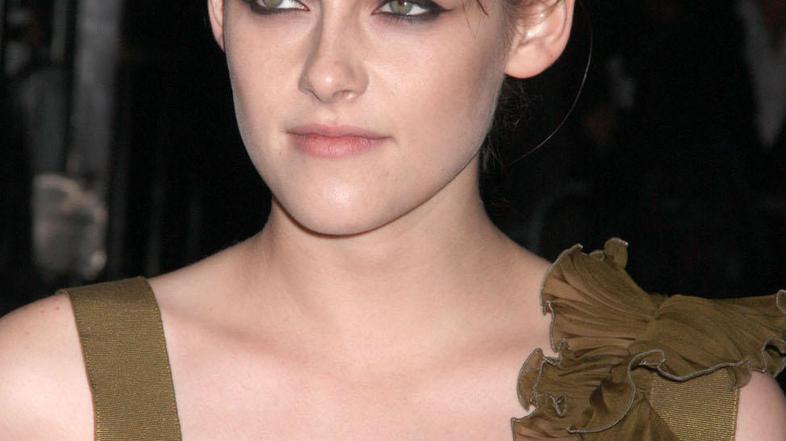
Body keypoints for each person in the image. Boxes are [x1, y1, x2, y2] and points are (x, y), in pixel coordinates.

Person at [0, 0, 784, 439]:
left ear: (537, 22)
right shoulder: (43, 390)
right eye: (279, 1)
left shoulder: (692, 411)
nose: (326, 71)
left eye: (407, 7)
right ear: (219, 13)